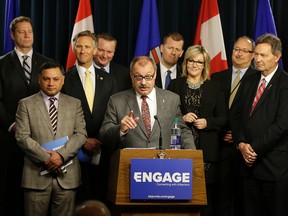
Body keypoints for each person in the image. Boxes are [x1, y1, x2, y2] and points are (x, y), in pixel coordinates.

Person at [15, 61, 87, 216]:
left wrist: (61, 156)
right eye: (46, 79)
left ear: (63, 80)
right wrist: (46, 158)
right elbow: (21, 136)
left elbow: (81, 134)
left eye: (55, 79)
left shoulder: (74, 104)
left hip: (67, 177)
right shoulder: (25, 104)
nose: (50, 83)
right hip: (36, 176)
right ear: (39, 80)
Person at [0, 16, 51, 216]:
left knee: (38, 192)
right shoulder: (2, 64)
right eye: (22, 32)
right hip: (9, 138)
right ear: (12, 35)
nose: (27, 35)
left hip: (42, 139)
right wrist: (12, 125)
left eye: (30, 31)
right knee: (8, 189)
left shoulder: (47, 64)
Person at [168, 45, 227, 216]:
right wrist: (181, 118)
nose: (194, 65)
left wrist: (207, 122)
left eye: (199, 62)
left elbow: (224, 118)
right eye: (191, 61)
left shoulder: (214, 87)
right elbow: (165, 116)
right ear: (185, 63)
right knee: (180, 196)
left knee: (204, 199)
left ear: (205, 65)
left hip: (207, 152)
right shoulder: (175, 84)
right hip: (179, 147)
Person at [233, 33, 288, 216]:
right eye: (256, 54)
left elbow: (282, 125)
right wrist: (241, 144)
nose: (257, 59)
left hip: (273, 168)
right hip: (247, 169)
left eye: (263, 55)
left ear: (277, 57)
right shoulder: (248, 80)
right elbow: (236, 116)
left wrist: (253, 149)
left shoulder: (285, 83)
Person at [62, 30, 118, 205]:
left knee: (101, 199)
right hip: (74, 150)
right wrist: (83, 140)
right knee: (78, 201)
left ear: (95, 50)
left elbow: (113, 113)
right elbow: (62, 116)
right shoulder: (64, 78)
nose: (82, 50)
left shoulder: (109, 80)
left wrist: (101, 139)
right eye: (79, 46)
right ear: (73, 48)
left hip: (103, 150)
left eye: (87, 46)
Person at [99, 56, 195, 149]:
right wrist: (120, 128)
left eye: (148, 77)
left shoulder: (172, 99)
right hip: (130, 162)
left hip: (162, 162)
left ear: (155, 74)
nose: (143, 82)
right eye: (138, 77)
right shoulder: (116, 101)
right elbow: (103, 136)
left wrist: (192, 155)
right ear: (132, 76)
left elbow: (182, 130)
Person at [211, 36, 257, 216]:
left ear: (253, 55)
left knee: (243, 198)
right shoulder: (217, 77)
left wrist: (239, 136)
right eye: (236, 49)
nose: (239, 54)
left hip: (245, 146)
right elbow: (213, 109)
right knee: (220, 196)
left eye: (244, 51)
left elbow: (258, 115)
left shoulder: (258, 78)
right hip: (220, 145)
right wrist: (221, 131)